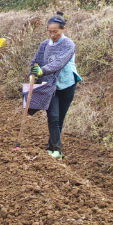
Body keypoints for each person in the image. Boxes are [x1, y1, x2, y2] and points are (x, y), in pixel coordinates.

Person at [27, 11, 80, 159]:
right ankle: (57, 150)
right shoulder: (44, 45)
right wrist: (33, 70)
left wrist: (42, 70)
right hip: (50, 85)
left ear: (63, 29)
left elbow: (59, 63)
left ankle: (51, 146)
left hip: (67, 84)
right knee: (53, 116)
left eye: (55, 31)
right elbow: (35, 61)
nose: (52, 35)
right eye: (49, 31)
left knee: (60, 118)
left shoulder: (69, 45)